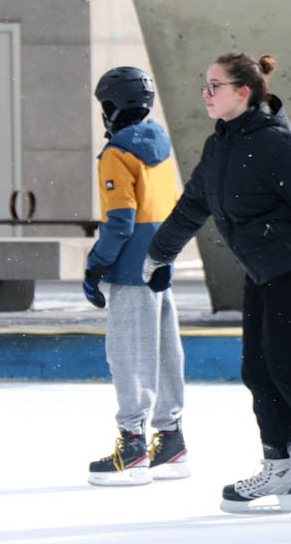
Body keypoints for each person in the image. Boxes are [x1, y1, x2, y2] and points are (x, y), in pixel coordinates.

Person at [142, 53, 291, 518]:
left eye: (215, 86)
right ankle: (279, 466)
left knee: (290, 367)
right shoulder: (219, 146)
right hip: (260, 273)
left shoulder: (276, 144)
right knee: (258, 370)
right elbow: (191, 207)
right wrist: (159, 253)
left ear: (243, 92)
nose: (206, 94)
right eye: (204, 85)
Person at [84, 66, 189, 486]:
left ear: (112, 107)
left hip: (129, 269)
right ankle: (171, 437)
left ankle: (132, 446)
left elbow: (119, 220)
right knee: (163, 350)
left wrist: (96, 265)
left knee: (128, 353)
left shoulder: (117, 153)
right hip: (161, 262)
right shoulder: (160, 143)